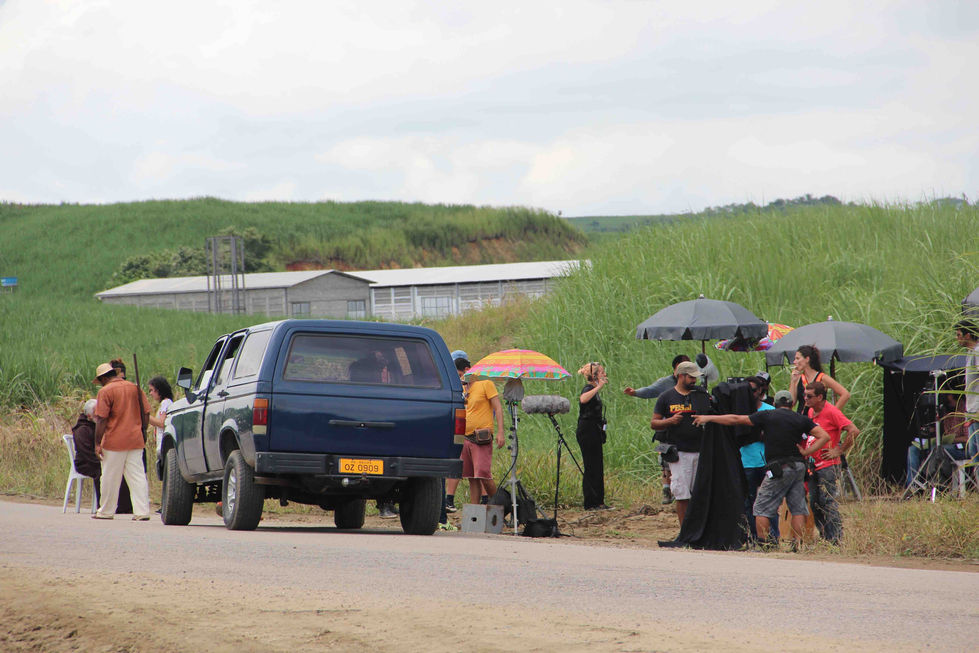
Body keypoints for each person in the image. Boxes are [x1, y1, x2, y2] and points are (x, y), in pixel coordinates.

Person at [694, 390, 830, 549]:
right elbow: (824, 436)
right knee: (798, 507)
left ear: (775, 404)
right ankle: (798, 544)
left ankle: (764, 544)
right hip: (799, 466)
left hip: (779, 467)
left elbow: (736, 419)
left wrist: (708, 418)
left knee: (760, 507)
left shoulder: (768, 415)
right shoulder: (801, 419)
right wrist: (806, 452)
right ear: (792, 404)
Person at [649, 361, 712, 527]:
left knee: (698, 492)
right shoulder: (666, 397)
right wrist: (670, 421)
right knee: (682, 492)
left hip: (700, 449)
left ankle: (698, 528)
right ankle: (685, 529)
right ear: (681, 376)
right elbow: (654, 423)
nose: (694, 381)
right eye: (691, 378)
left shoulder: (700, 394)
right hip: (679, 452)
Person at [625, 354, 690, 504]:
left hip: (686, 429)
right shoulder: (665, 383)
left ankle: (681, 490)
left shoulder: (691, 384)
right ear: (675, 369)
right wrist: (634, 392)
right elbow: (650, 390)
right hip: (667, 427)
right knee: (667, 460)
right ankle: (666, 491)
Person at [92, 362, 152, 520]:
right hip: (135, 439)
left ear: (104, 378)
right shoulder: (135, 388)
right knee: (137, 476)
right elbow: (146, 413)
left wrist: (97, 443)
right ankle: (142, 511)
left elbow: (101, 419)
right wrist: (143, 430)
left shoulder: (105, 391)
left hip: (114, 441)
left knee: (110, 477)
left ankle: (106, 511)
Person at [803, 381, 860, 545]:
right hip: (814, 464)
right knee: (815, 502)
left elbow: (854, 430)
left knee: (827, 501)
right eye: (805, 395)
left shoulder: (832, 411)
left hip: (828, 465)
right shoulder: (812, 411)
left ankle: (836, 539)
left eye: (809, 396)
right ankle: (825, 537)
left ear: (820, 397)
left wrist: (839, 450)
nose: (806, 399)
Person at [450, 352, 505, 505]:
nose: (459, 378)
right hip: (465, 438)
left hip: (481, 437)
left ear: (467, 370)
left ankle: (499, 505)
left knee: (483, 475)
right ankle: (474, 512)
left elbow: (498, 408)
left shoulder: (485, 383)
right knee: (472, 477)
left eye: (460, 374)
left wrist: (500, 432)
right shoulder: (462, 388)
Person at [738, 376, 778, 542]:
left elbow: (778, 435)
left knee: (770, 501)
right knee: (748, 502)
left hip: (765, 462)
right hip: (745, 462)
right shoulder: (739, 411)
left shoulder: (769, 410)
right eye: (746, 390)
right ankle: (754, 537)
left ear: (761, 390)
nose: (751, 394)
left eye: (753, 390)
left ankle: (773, 537)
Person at [906, 393, 968, 487]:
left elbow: (968, 438)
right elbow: (944, 431)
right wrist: (933, 430)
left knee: (937, 449)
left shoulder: (965, 410)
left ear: (951, 395)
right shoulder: (946, 411)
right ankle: (912, 486)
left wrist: (950, 439)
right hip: (944, 444)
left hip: (962, 448)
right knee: (913, 449)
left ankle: (935, 484)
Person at [576, 362, 611, 510]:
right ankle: (590, 502)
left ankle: (599, 501)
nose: (604, 374)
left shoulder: (594, 390)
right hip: (587, 430)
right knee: (591, 465)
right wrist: (599, 386)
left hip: (595, 430)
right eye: (602, 372)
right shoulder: (589, 388)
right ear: (595, 375)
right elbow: (583, 399)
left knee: (598, 465)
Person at [788, 345, 850, 413]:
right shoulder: (798, 378)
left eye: (797, 358)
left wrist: (832, 413)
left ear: (807, 359)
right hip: (801, 419)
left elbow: (845, 394)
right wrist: (793, 381)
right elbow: (791, 403)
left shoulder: (822, 378)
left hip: (818, 419)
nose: (794, 362)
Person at [955, 319, 979, 468]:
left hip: (977, 410)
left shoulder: (977, 352)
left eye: (958, 335)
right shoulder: (970, 353)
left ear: (968, 335)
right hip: (971, 411)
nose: (957, 338)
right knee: (973, 451)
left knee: (977, 451)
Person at [71, 398, 102, 506]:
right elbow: (86, 452)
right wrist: (101, 462)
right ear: (89, 416)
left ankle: (123, 505)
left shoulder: (97, 425)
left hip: (97, 459)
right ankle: (103, 504)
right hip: (85, 462)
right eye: (96, 414)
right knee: (102, 472)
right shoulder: (82, 429)